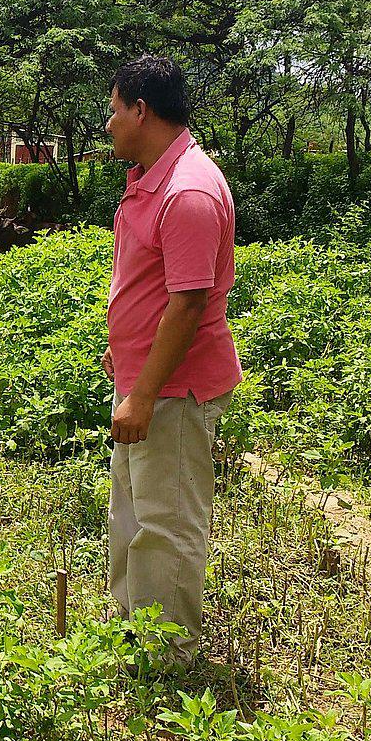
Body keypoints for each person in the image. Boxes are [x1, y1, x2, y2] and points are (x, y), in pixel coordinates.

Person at [103, 55, 242, 664]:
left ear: (141, 111)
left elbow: (187, 305)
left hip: (172, 392)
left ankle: (170, 659)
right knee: (133, 513)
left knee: (168, 520)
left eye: (113, 110)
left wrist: (143, 394)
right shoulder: (154, 177)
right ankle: (133, 634)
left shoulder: (187, 190)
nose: (107, 124)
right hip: (146, 384)